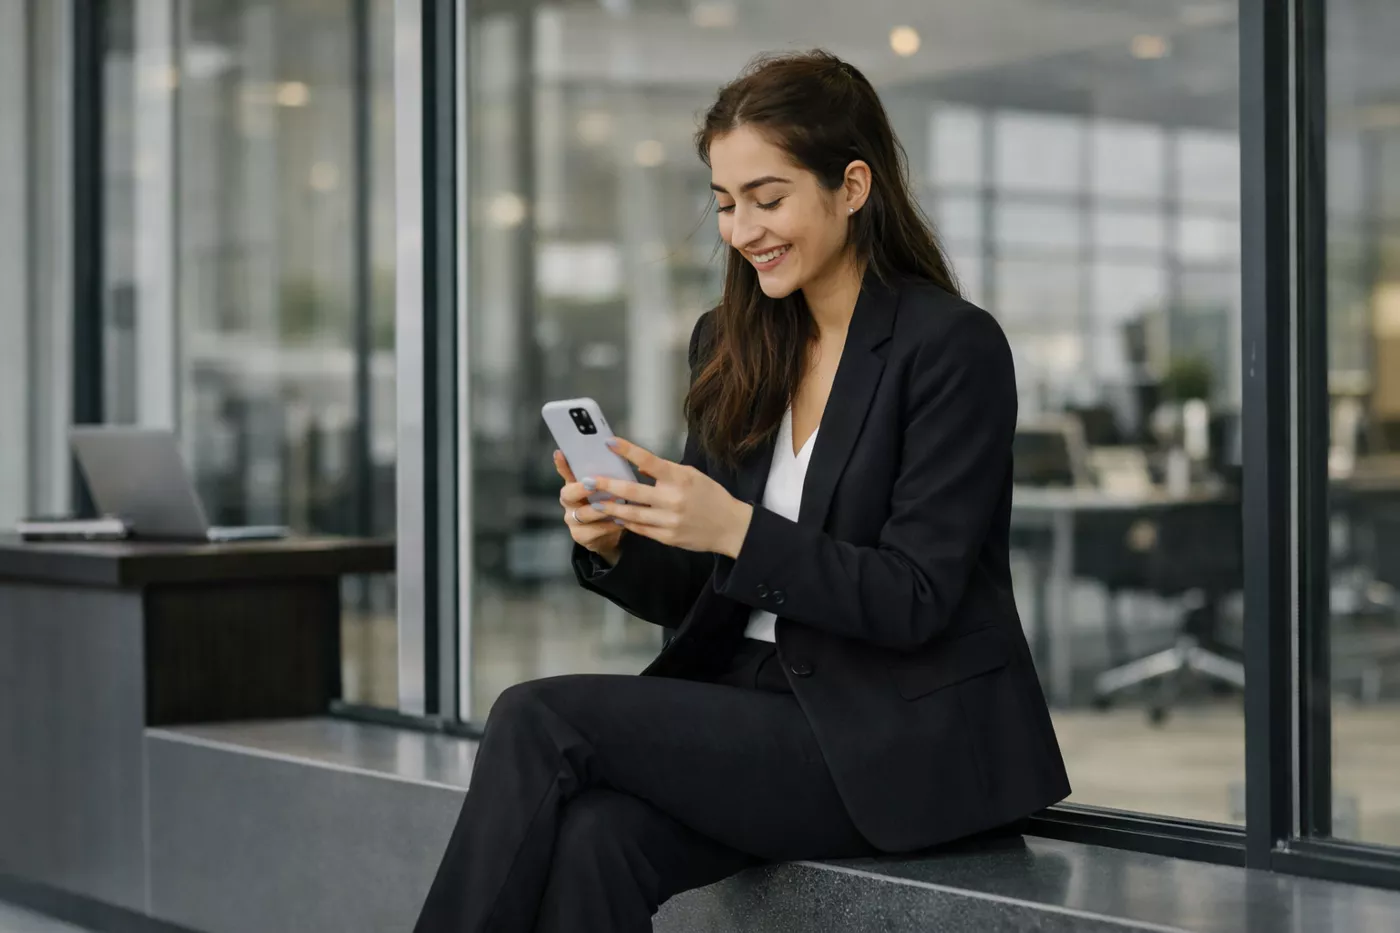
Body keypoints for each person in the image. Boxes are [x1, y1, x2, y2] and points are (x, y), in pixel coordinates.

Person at [413, 49, 1070, 933]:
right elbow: (695, 593)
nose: (741, 228)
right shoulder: (731, 339)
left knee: (535, 714)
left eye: (768, 198)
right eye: (725, 204)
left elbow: (916, 596)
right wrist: (617, 544)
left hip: (891, 732)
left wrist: (735, 528)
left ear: (852, 185)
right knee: (594, 842)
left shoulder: (951, 346)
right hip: (750, 703)